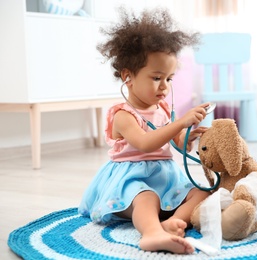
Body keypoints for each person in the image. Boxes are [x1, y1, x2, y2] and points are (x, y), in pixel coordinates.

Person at [78, 7, 211, 254]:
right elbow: (146, 143)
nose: (164, 86)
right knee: (146, 198)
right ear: (128, 77)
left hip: (163, 176)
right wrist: (179, 123)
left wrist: (187, 138)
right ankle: (151, 234)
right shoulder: (122, 115)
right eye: (157, 77)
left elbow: (174, 142)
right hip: (131, 181)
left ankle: (173, 221)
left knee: (201, 193)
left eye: (169, 79)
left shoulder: (161, 108)